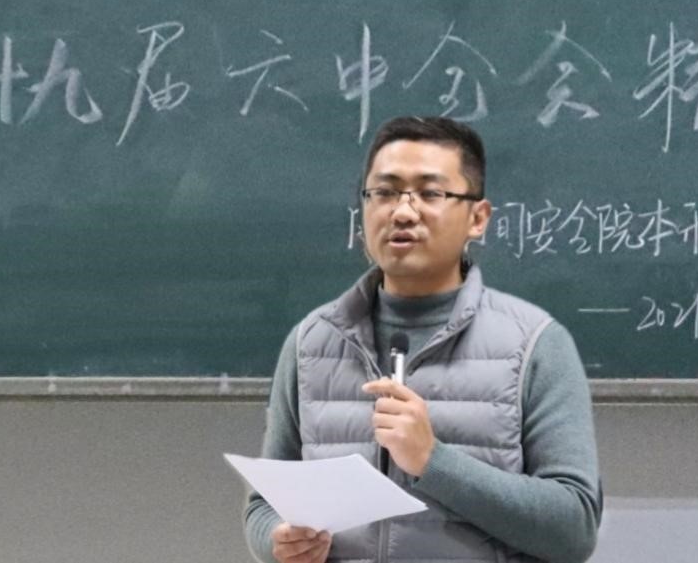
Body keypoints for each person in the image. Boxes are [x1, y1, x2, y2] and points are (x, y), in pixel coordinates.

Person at [243, 116, 601, 563]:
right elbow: (263, 506)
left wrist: (433, 460)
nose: (402, 212)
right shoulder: (312, 342)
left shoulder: (535, 345)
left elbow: (574, 529)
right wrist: (278, 540)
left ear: (477, 218)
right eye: (384, 192)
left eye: (430, 194)